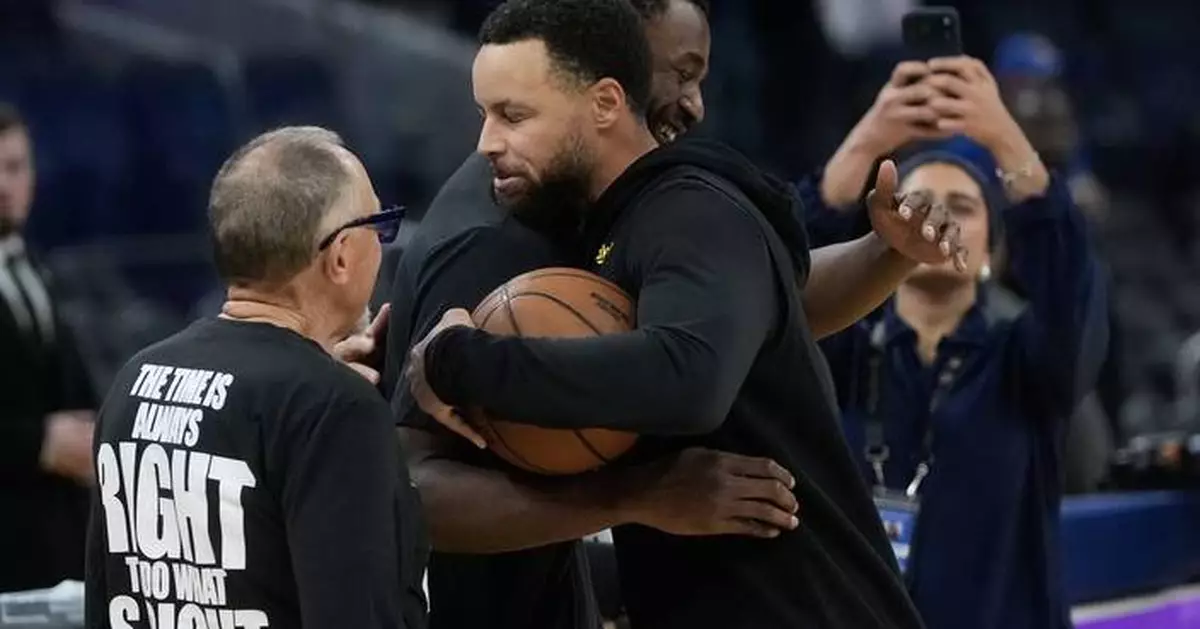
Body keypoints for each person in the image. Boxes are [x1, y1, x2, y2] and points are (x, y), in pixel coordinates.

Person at [405, 0, 971, 626]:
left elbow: (690, 370)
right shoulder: (546, 226)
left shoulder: (685, 211)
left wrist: (456, 359)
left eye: (512, 115)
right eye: (677, 70)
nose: (487, 140)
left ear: (605, 97)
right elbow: (413, 488)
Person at [84, 127, 427, 629]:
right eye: (378, 226)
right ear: (340, 256)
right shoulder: (335, 408)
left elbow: (104, 602)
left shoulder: (135, 379)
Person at [809, 57, 1108, 629]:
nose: (938, 216)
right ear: (880, 228)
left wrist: (1002, 133)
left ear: (994, 253)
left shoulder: (1027, 364)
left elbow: (1072, 288)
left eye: (964, 206)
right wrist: (869, 140)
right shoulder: (838, 354)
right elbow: (785, 276)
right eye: (917, 201)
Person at [0, 103, 98, 593]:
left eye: (14, 167)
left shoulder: (38, 268)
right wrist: (40, 442)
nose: (4, 186)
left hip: (59, 547)